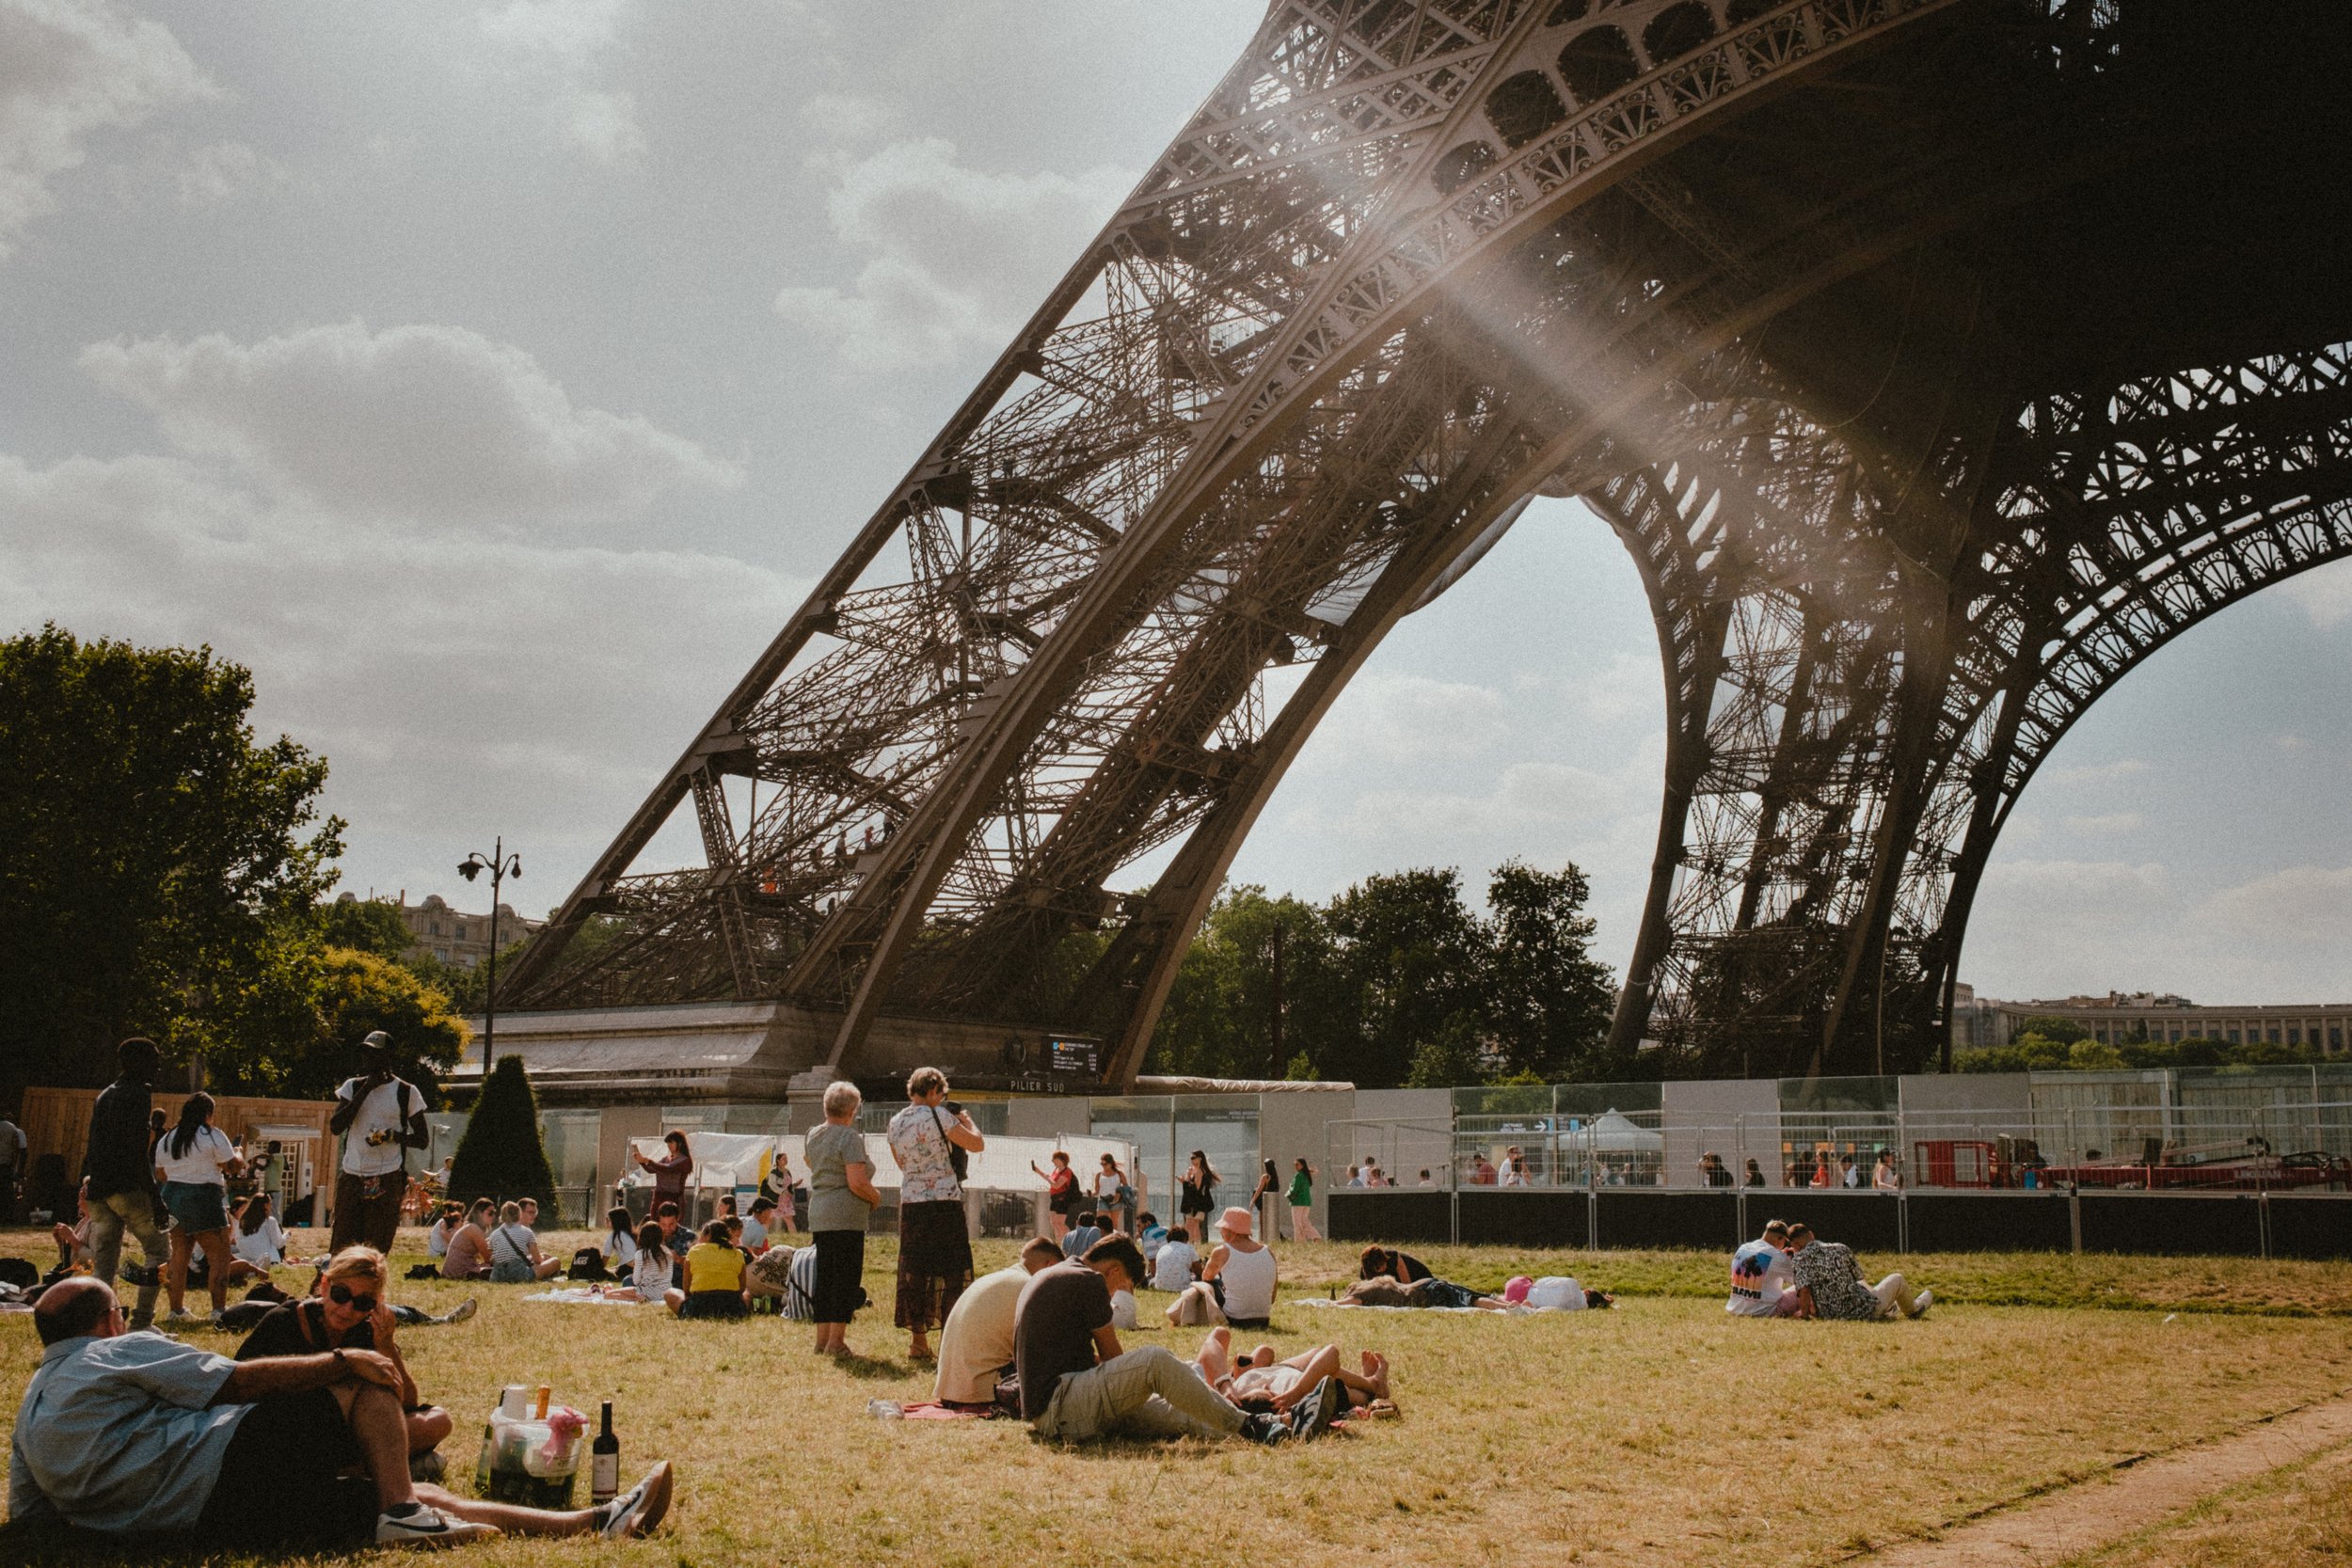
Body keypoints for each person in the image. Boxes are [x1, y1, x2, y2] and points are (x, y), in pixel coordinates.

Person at [8, 1275, 674, 1545]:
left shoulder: (33, 1404)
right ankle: (406, 1514)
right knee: (362, 1386)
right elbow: (236, 1381)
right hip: (217, 1467)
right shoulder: (116, 1353)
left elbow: (33, 1518)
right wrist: (341, 1361)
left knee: (407, 1489)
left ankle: (596, 1520)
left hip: (205, 1522)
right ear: (107, 1321)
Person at [1013, 1237, 1316, 1445]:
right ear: (1114, 1270)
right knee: (1155, 1361)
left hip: (1055, 1410)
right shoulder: (1088, 1281)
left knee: (1174, 1412)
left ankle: (1283, 1423)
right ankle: (1251, 1425)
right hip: (1062, 1405)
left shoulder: (1061, 1274)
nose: (1112, 1297)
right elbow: (1114, 1361)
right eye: (1120, 1288)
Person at [233, 1246, 452, 1468]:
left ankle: (359, 1468)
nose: (348, 1309)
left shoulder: (367, 1331)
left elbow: (407, 1403)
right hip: (287, 1434)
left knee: (438, 1420)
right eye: (341, 1295)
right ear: (325, 1285)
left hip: (348, 1436)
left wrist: (386, 1344)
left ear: (377, 1304)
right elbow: (236, 1387)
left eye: (363, 1302)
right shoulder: (283, 1322)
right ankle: (375, 1468)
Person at [886, 1067, 983, 1362]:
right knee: (953, 1269)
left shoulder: (895, 1122)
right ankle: (949, 1342)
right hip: (944, 1203)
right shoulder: (941, 1116)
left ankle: (918, 1342)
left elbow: (902, 1163)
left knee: (915, 1271)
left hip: (913, 1204)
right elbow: (976, 1144)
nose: (943, 1099)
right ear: (931, 1090)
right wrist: (968, 1121)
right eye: (942, 1093)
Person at [82, 1037, 167, 1329]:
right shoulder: (138, 1094)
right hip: (127, 1187)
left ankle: (99, 1327)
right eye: (153, 1060)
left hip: (99, 1188)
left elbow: (93, 1143)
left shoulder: (105, 1095)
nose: (158, 1067)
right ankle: (142, 1323)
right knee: (158, 1250)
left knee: (105, 1262)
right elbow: (135, 1151)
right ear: (135, 1062)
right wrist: (155, 1197)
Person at [933, 1236, 1062, 1408]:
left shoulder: (995, 1278)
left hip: (949, 1391)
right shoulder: (1030, 1287)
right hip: (979, 1392)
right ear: (1050, 1265)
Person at [328, 1032, 428, 1255]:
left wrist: (392, 1136)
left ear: (388, 1056)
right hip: (352, 1174)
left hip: (387, 1176)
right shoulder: (352, 1087)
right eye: (365, 1053)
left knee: (377, 1246)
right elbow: (335, 1126)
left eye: (374, 1054)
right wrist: (366, 1089)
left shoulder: (406, 1092)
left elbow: (422, 1140)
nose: (368, 1059)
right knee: (342, 1245)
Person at [152, 1093, 246, 1323]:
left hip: (172, 1196)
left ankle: (176, 1310)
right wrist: (238, 1152)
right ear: (208, 1114)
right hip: (204, 1196)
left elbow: (160, 1173)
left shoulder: (168, 1138)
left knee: (179, 1255)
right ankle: (218, 1311)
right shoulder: (213, 1135)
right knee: (220, 1257)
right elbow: (233, 1168)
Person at [804, 1079, 880, 1357]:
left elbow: (813, 1164)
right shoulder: (849, 1137)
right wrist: (875, 1197)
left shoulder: (813, 1134)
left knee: (825, 1277)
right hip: (846, 1215)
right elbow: (856, 1182)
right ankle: (837, 1342)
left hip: (821, 1211)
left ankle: (821, 1340)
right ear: (852, 1110)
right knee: (845, 1279)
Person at [1192, 1326, 1391, 1415]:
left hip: (1283, 1369)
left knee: (1265, 1351)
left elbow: (1215, 1338)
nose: (1266, 1385)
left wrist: (1228, 1384)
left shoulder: (1233, 1395)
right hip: (1304, 1381)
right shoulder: (1292, 1400)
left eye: (1263, 1387)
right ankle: (1372, 1385)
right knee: (1327, 1370)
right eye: (1270, 1391)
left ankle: (1370, 1383)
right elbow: (1331, 1352)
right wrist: (1298, 1392)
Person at [1784, 1222, 1931, 1320]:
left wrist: (1804, 1316)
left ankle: (1889, 1310)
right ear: (1811, 1235)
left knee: (1865, 1288)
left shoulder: (1799, 1260)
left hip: (1829, 1315)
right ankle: (1915, 1309)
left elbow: (1804, 1291)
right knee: (1897, 1278)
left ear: (1795, 1245)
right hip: (1863, 1311)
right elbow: (1858, 1277)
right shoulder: (1840, 1248)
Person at [1168, 1207, 1276, 1330]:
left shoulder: (1223, 1251)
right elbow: (1272, 1297)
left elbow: (1205, 1277)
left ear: (1231, 1231)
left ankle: (1182, 1315)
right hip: (1263, 1319)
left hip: (1235, 1319)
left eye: (1223, 1228)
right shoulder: (1268, 1252)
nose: (1220, 1232)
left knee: (1205, 1285)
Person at [664, 1219, 749, 1319]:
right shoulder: (738, 1253)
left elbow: (687, 1289)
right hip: (731, 1307)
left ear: (708, 1235)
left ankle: (688, 1314)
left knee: (669, 1293)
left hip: (700, 1307)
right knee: (748, 1294)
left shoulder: (694, 1251)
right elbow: (742, 1288)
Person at [1727, 1219, 1801, 1318]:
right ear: (1780, 1238)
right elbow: (1801, 1279)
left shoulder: (1743, 1248)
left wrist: (1782, 1258)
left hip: (1735, 1309)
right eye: (1784, 1241)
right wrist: (1796, 1257)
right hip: (1764, 1311)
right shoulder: (1777, 1256)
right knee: (1806, 1287)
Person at [485, 1201, 560, 1283]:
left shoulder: (494, 1234)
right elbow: (538, 1260)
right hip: (520, 1275)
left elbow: (492, 1258)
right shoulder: (527, 1232)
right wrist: (543, 1258)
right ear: (520, 1214)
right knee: (555, 1261)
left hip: (497, 1277)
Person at [635, 1132, 695, 1225]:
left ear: (679, 1143)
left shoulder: (684, 1160)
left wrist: (647, 1161)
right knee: (655, 1226)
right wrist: (641, 1161)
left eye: (671, 1143)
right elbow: (651, 1169)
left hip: (674, 1198)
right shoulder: (666, 1159)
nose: (669, 1146)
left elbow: (668, 1169)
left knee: (670, 1228)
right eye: (668, 1143)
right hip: (659, 1197)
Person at [440, 1199, 496, 1281]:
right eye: (490, 1213)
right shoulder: (473, 1229)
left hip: (453, 1271)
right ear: (480, 1214)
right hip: (459, 1272)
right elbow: (488, 1257)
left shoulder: (471, 1227)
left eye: (494, 1213)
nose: (493, 1216)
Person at [1031, 1149, 1079, 1243]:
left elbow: (1056, 1185)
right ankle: (1059, 1242)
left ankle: (1070, 1240)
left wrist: (1047, 1178)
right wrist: (1039, 1172)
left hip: (1063, 1199)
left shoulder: (1067, 1172)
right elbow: (1051, 1180)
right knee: (1054, 1223)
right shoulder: (1056, 1170)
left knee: (1060, 1223)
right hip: (1054, 1199)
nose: (1052, 1161)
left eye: (1054, 1159)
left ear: (1060, 1159)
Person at [232, 1194, 288, 1270]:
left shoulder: (242, 1220)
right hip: (265, 1256)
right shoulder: (269, 1221)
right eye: (270, 1204)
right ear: (265, 1205)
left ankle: (254, 1265)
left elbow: (237, 1240)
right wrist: (287, 1235)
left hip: (246, 1255)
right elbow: (278, 1243)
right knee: (276, 1236)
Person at [623, 1221, 673, 1304]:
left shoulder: (641, 1254)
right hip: (666, 1292)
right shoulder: (668, 1252)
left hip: (647, 1292)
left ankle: (639, 1298)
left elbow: (636, 1281)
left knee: (627, 1281)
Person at [1178, 1151, 1217, 1242]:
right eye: (1191, 1158)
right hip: (1193, 1201)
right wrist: (1186, 1179)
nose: (1191, 1160)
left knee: (1195, 1224)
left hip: (1197, 1203)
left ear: (1200, 1159)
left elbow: (1196, 1188)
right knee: (1192, 1224)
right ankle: (1194, 1242)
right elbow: (1191, 1186)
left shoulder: (1200, 1171)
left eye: (1193, 1158)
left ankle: (1197, 1242)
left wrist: (1185, 1180)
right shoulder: (1194, 1170)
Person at [1152, 1225, 1200, 1292]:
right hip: (1183, 1288)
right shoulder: (1189, 1248)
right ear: (1184, 1239)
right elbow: (1198, 1271)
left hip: (1160, 1287)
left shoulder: (1162, 1249)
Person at [1095, 1151, 1134, 1236]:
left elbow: (1126, 1187)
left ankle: (1113, 1240)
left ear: (1110, 1163)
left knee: (1114, 1223)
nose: (1103, 1166)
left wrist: (1119, 1192)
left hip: (1116, 1200)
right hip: (1103, 1199)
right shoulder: (1099, 1175)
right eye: (1101, 1164)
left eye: (1105, 1164)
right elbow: (1097, 1190)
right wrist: (1092, 1193)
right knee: (1100, 1221)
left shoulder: (1119, 1174)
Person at [0, 1104, 24, 1225]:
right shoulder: (12, 1128)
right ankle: (7, 1217)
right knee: (6, 1191)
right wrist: (14, 1164)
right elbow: (17, 1148)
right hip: (5, 1163)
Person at [1286, 1157, 1320, 1243]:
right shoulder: (1306, 1175)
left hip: (1298, 1202)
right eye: (1295, 1164)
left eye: (1297, 1164)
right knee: (1304, 1221)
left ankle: (1300, 1242)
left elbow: (1294, 1189)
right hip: (1306, 1202)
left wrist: (1288, 1192)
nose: (1295, 1166)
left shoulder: (1298, 1176)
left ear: (1302, 1165)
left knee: (1298, 1223)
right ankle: (1316, 1236)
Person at [602, 1205, 640, 1269]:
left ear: (615, 1221)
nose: (606, 1221)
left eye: (608, 1219)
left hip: (628, 1268)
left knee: (613, 1270)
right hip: (638, 1267)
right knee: (614, 1268)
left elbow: (605, 1257)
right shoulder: (632, 1234)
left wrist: (599, 1270)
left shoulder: (614, 1235)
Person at [1249, 1159, 1279, 1237]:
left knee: (1262, 1222)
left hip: (1264, 1201)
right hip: (1272, 1203)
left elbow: (1259, 1190)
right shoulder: (1275, 1177)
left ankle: (1262, 1238)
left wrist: (1252, 1201)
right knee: (1270, 1221)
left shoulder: (1265, 1177)